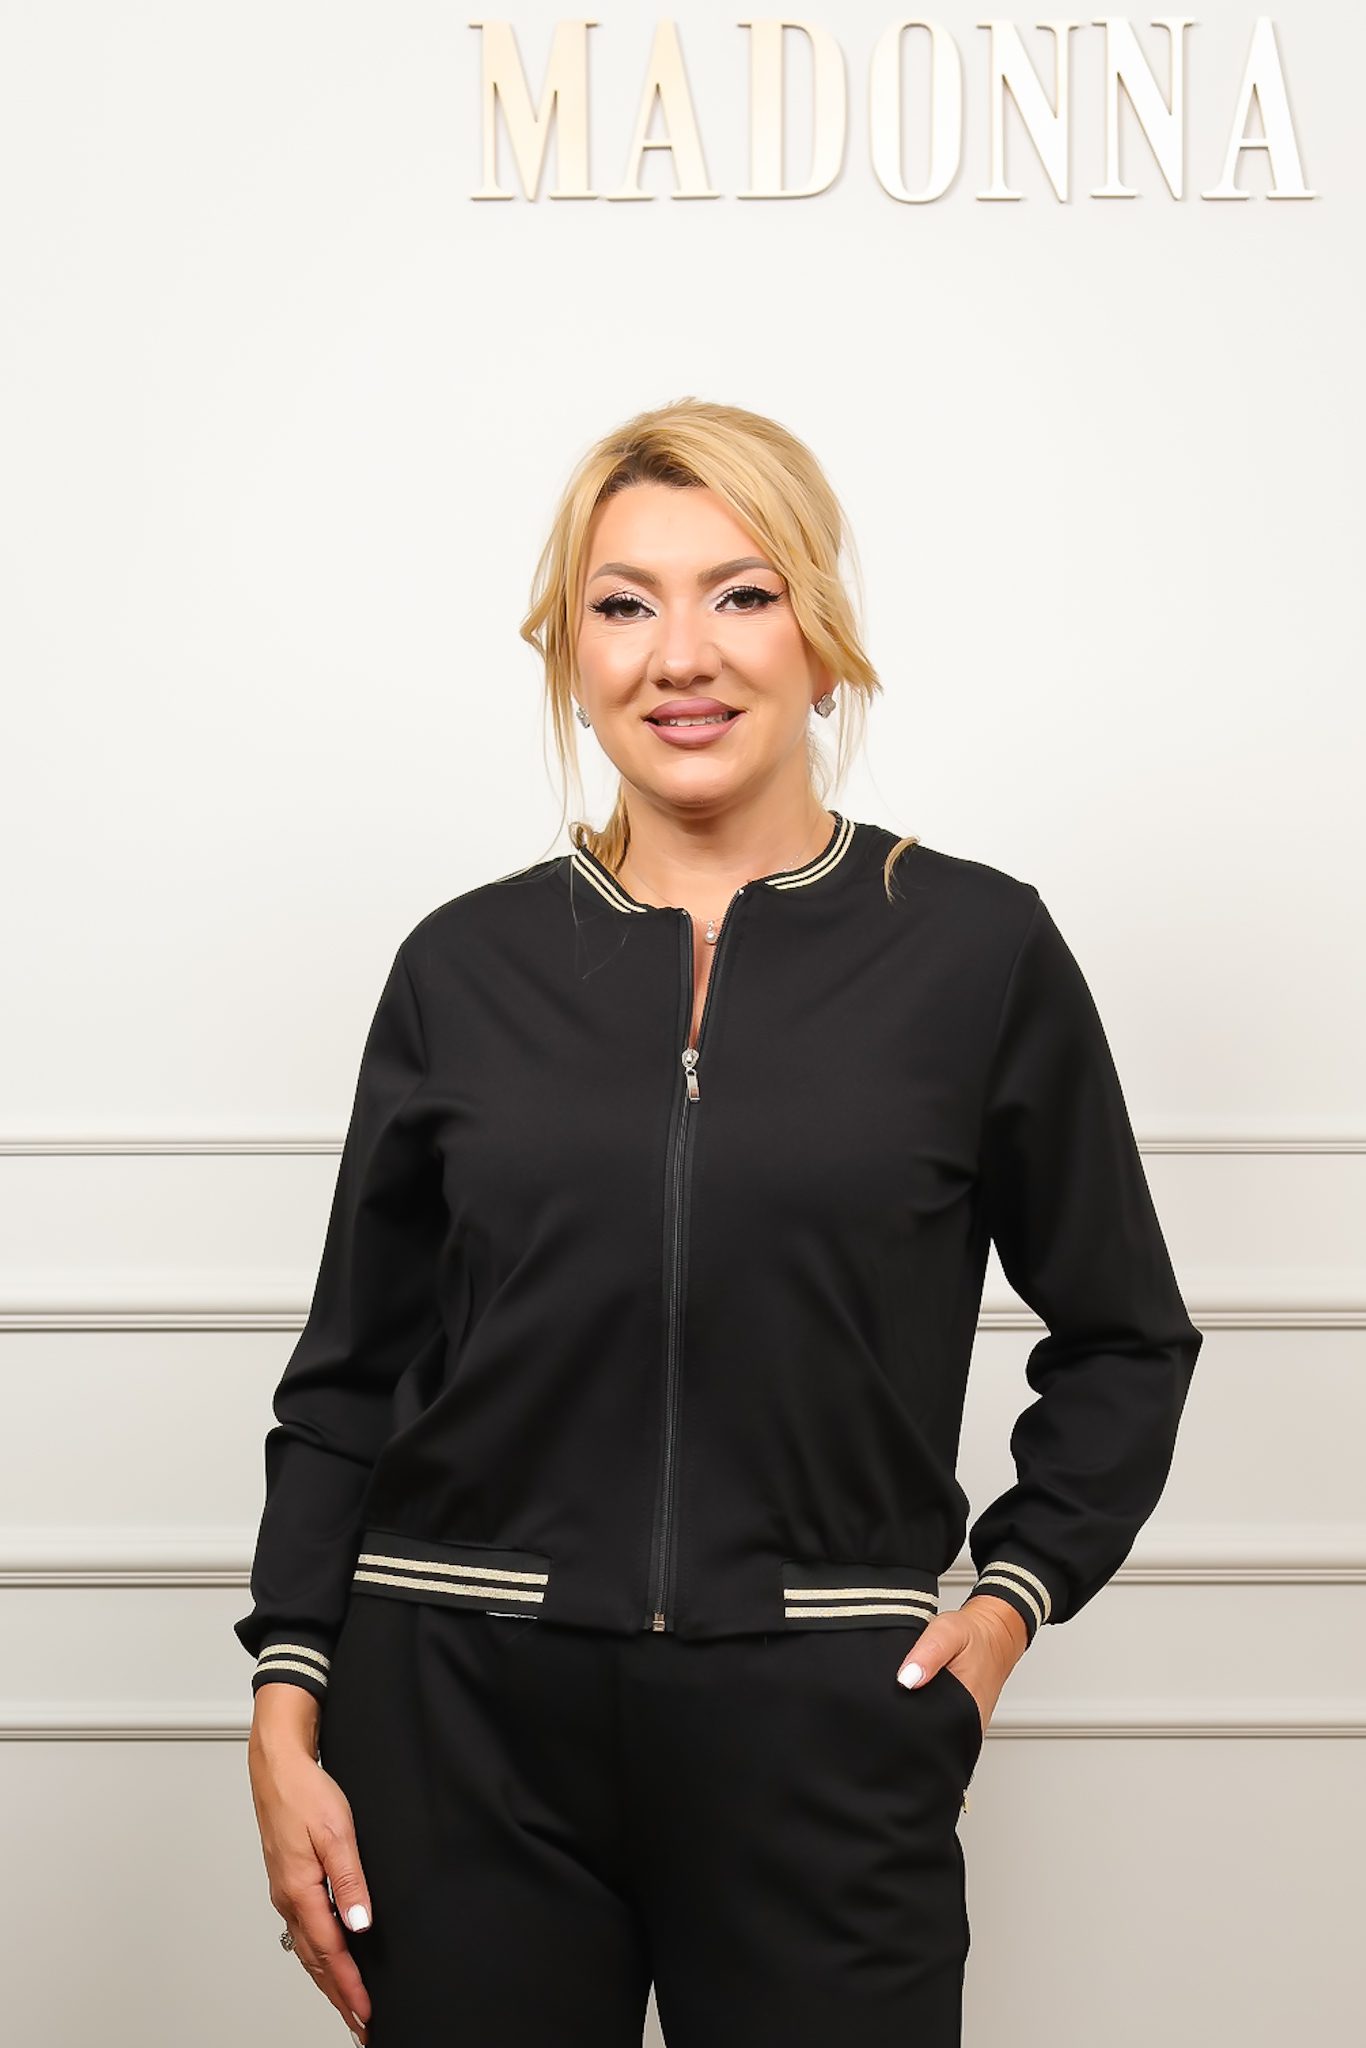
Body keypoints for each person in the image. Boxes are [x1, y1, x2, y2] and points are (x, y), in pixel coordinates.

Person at [236, 397, 1202, 2048]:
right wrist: (285, 1698)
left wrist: (1001, 1611)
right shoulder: (461, 968)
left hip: (822, 1726)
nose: (678, 654)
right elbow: (349, 1377)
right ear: (572, 659)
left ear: (820, 643)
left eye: (740, 594)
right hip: (459, 1720)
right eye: (622, 605)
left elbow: (1123, 1337)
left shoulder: (975, 955)